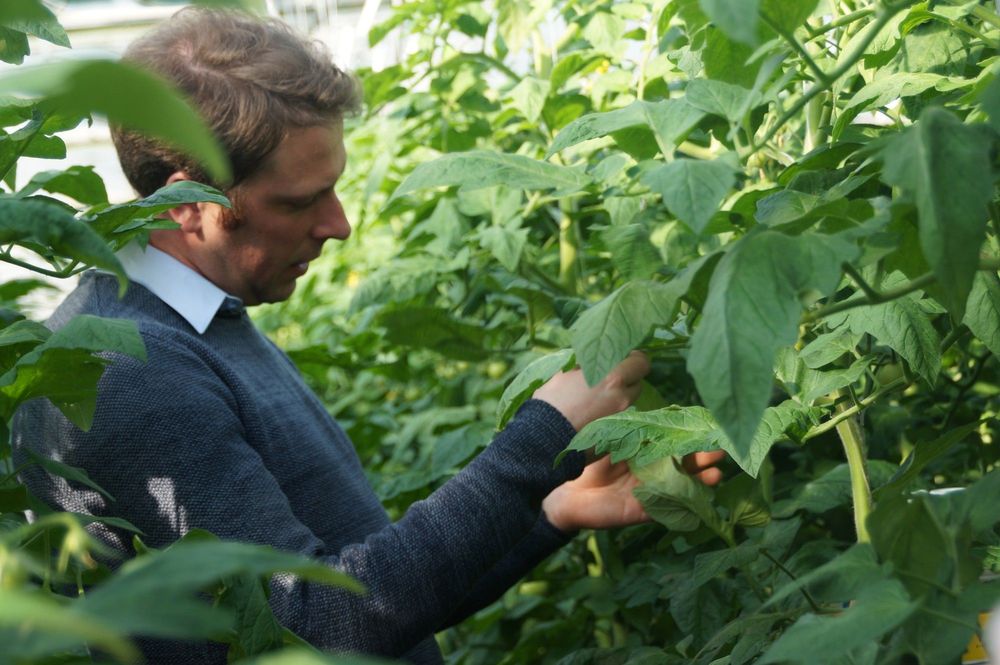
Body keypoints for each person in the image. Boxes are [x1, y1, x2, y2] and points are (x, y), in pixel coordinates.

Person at [12, 8, 722, 664]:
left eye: (334, 186)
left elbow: (375, 605)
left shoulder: (200, 322)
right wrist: (542, 435)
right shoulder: (126, 371)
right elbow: (315, 625)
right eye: (300, 200)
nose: (339, 224)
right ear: (187, 202)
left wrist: (551, 511)